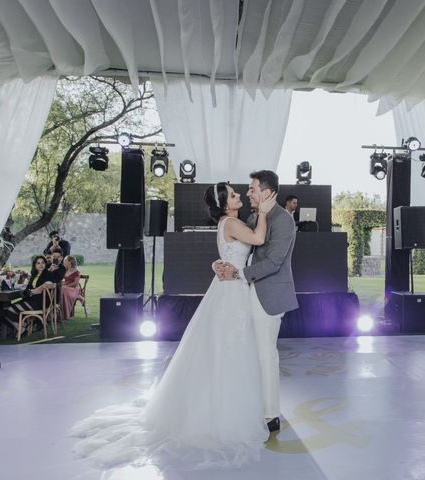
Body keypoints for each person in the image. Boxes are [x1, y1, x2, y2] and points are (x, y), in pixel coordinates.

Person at [71, 181, 280, 469]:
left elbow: (232, 254)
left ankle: (224, 406)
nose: (239, 195)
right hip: (231, 293)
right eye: (233, 194)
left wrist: (217, 263)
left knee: (224, 349)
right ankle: (225, 413)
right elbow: (257, 239)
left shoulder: (227, 222)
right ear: (224, 204)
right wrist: (267, 212)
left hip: (229, 289)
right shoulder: (231, 222)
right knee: (230, 349)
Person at [215, 170, 298, 434]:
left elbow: (273, 263)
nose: (248, 193)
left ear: (266, 191)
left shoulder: (283, 221)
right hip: (246, 292)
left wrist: (238, 273)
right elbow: (240, 246)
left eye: (252, 189)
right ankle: (254, 405)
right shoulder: (254, 216)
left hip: (268, 295)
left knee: (265, 355)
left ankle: (271, 415)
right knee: (250, 353)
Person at [0, 256, 54, 337]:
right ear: (35, 265)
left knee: (9, 310)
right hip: (31, 300)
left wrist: (33, 290)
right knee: (4, 311)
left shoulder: (48, 274)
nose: (40, 265)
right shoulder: (34, 275)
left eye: (43, 263)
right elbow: (29, 290)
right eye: (38, 263)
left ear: (45, 264)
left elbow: (48, 284)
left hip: (40, 302)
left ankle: (22, 327)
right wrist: (31, 291)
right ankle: (22, 327)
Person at [59, 256, 81, 323]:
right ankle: (58, 315)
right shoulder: (65, 271)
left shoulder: (77, 271)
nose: (63, 261)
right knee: (59, 290)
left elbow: (76, 283)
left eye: (65, 260)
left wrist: (66, 286)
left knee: (64, 289)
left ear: (70, 262)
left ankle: (65, 315)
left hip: (74, 289)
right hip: (64, 288)